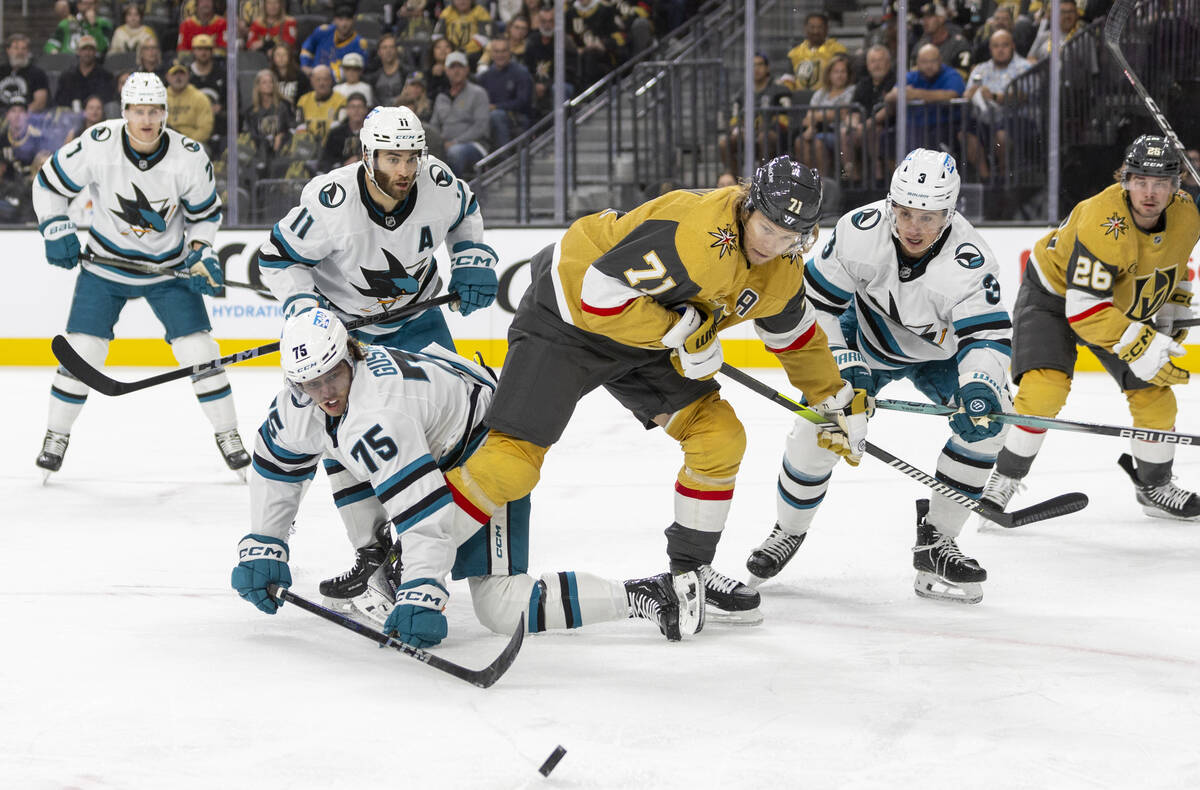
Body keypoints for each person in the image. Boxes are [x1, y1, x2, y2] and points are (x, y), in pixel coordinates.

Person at [441, 156, 869, 625]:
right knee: (513, 461)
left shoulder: (782, 265)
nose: (775, 245)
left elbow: (796, 337)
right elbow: (598, 296)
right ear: (749, 205)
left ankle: (691, 574)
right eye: (768, 227)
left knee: (718, 436)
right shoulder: (696, 237)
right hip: (566, 315)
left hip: (646, 337)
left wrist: (834, 399)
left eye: (792, 238)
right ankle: (415, 561)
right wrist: (685, 329)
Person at [230, 309, 704, 645]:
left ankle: (647, 593)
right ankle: (380, 561)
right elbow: (277, 466)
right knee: (335, 440)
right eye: (309, 384)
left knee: (500, 607)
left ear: (350, 354)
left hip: (485, 440)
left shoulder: (381, 413)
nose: (324, 392)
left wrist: (424, 594)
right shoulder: (303, 401)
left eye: (332, 376)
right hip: (436, 424)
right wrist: (263, 543)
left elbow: (423, 512)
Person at [744, 149, 1009, 605]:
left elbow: (985, 339)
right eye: (905, 212)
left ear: (950, 211)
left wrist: (981, 386)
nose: (913, 227)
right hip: (864, 336)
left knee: (988, 427)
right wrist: (845, 366)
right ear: (891, 203)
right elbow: (814, 306)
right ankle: (787, 531)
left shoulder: (971, 262)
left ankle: (937, 542)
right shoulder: (858, 231)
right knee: (818, 426)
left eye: (928, 216)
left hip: (940, 355)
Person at [256, 107, 499, 596]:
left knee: (449, 434)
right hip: (349, 336)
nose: (405, 170)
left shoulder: (437, 182)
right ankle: (373, 552)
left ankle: (446, 548)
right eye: (393, 158)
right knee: (342, 439)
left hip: (418, 321)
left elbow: (465, 210)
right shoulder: (330, 202)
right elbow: (275, 257)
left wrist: (471, 257)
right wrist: (305, 309)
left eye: (412, 157)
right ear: (367, 155)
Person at [31, 72, 248, 479]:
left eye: (154, 111)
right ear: (125, 112)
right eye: (138, 111)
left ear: (165, 113)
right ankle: (55, 435)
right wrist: (55, 226)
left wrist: (202, 254)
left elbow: (205, 216)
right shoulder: (98, 144)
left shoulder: (188, 155)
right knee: (83, 352)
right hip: (105, 266)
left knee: (201, 352)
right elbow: (47, 185)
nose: (146, 120)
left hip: (168, 270)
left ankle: (228, 433)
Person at [982, 137, 1200, 520]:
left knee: (1156, 396)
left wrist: (1172, 307)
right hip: (1054, 297)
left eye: (1161, 182)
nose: (1149, 192)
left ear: (1176, 185)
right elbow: (1085, 310)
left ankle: (1154, 486)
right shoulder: (1104, 221)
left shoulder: (1187, 214)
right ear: (1125, 180)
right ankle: (1004, 478)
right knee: (1043, 392)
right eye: (1140, 180)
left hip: (1116, 304)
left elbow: (1177, 261)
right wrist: (1142, 345)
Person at [963, 28, 1031, 182]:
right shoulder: (980, 69)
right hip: (985, 118)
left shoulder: (1025, 67)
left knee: (1001, 135)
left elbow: (1024, 95)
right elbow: (966, 95)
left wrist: (995, 96)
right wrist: (970, 94)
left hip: (1016, 119)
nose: (1000, 50)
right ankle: (986, 179)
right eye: (996, 46)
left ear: (1012, 46)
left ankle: (1003, 177)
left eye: (1004, 45)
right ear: (990, 48)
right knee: (965, 134)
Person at [717, 52, 791, 176]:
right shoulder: (742, 94)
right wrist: (738, 129)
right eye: (752, 65)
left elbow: (786, 118)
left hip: (774, 137)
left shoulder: (780, 90)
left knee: (764, 138)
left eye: (760, 65)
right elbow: (735, 119)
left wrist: (767, 128)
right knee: (725, 143)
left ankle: (765, 182)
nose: (756, 69)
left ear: (767, 68)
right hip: (748, 136)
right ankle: (737, 183)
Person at [429, 50, 490, 177]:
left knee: (454, 152)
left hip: (474, 145)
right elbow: (434, 125)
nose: (456, 71)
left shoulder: (478, 93)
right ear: (446, 71)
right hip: (444, 145)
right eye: (452, 67)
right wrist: (438, 143)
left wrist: (455, 142)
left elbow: (480, 127)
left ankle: (454, 193)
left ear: (467, 69)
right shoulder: (441, 97)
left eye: (460, 67)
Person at [795, 52, 855, 180]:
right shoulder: (821, 93)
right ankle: (806, 181)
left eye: (843, 72)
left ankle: (822, 182)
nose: (839, 75)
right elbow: (807, 118)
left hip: (838, 133)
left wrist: (817, 117)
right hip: (817, 129)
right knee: (800, 142)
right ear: (829, 74)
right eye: (836, 72)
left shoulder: (851, 90)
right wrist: (812, 127)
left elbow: (840, 113)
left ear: (848, 74)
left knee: (817, 143)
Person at [842, 44, 895, 184]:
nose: (876, 65)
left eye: (880, 60)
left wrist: (866, 125)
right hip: (864, 128)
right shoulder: (863, 84)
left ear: (888, 63)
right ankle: (851, 178)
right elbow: (853, 110)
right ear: (867, 64)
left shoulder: (895, 80)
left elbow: (890, 109)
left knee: (875, 131)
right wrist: (853, 125)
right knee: (845, 132)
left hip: (888, 126)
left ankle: (879, 180)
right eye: (873, 61)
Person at [475, 37, 533, 149]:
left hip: (516, 117)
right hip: (488, 115)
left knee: (497, 115)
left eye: (503, 51)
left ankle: (504, 159)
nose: (500, 55)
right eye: (496, 51)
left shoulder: (521, 73)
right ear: (491, 53)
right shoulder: (485, 76)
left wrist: (496, 107)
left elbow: (523, 102)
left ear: (509, 52)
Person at [299, 4, 370, 81]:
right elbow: (306, 49)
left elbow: (358, 71)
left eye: (347, 20)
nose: (344, 24)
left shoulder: (359, 44)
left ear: (354, 20)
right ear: (335, 20)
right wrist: (305, 65)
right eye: (340, 19)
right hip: (314, 78)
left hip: (341, 84)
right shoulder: (323, 31)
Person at [782, 12, 847, 92]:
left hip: (827, 99)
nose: (815, 31)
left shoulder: (838, 50)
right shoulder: (794, 53)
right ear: (805, 28)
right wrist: (786, 95)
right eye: (812, 27)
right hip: (800, 99)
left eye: (820, 27)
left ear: (827, 29)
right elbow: (789, 79)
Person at [54, 36, 116, 111]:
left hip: (98, 116)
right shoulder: (67, 76)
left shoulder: (106, 76)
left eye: (91, 49)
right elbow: (60, 101)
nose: (87, 53)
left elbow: (107, 100)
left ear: (95, 52)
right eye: (84, 49)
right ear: (78, 51)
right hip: (72, 117)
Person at [433, 0, 494, 69]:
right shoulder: (447, 12)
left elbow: (485, 37)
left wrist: (464, 50)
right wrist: (447, 49)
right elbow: (437, 36)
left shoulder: (480, 11)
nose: (462, 1)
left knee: (490, 46)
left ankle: (482, 69)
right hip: (449, 52)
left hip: (474, 53)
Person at [0, 34, 51, 114]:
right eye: (16, 48)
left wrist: (19, 116)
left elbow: (40, 103)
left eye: (24, 48)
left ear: (28, 51)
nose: (20, 52)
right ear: (8, 50)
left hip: (26, 119)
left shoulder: (38, 74)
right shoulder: (1, 71)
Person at [317, 90, 367, 171]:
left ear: (365, 110)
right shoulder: (335, 134)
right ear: (347, 110)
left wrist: (359, 158)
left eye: (360, 107)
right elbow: (325, 161)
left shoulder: (372, 134)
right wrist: (343, 165)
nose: (356, 110)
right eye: (353, 107)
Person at [295, 64, 345, 143]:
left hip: (331, 146)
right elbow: (299, 126)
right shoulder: (303, 100)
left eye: (325, 79)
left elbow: (340, 128)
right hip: (308, 147)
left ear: (331, 81)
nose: (322, 83)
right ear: (312, 81)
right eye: (318, 80)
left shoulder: (341, 100)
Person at [165, 62, 213, 145]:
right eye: (174, 74)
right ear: (167, 77)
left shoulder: (199, 98)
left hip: (192, 143)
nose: (178, 77)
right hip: (166, 143)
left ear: (188, 76)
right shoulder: (160, 98)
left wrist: (187, 143)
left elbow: (205, 129)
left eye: (182, 74)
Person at [44, 0, 113, 55]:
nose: (88, 7)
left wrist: (93, 25)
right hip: (68, 60)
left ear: (96, 5)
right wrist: (54, 51)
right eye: (85, 3)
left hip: (93, 61)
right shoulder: (66, 23)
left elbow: (103, 48)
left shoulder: (103, 23)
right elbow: (51, 44)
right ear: (79, 5)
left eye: (91, 4)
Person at [365, 34, 408, 108]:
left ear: (396, 50)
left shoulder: (405, 73)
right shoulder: (374, 77)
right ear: (379, 52)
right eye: (384, 47)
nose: (388, 51)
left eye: (391, 47)